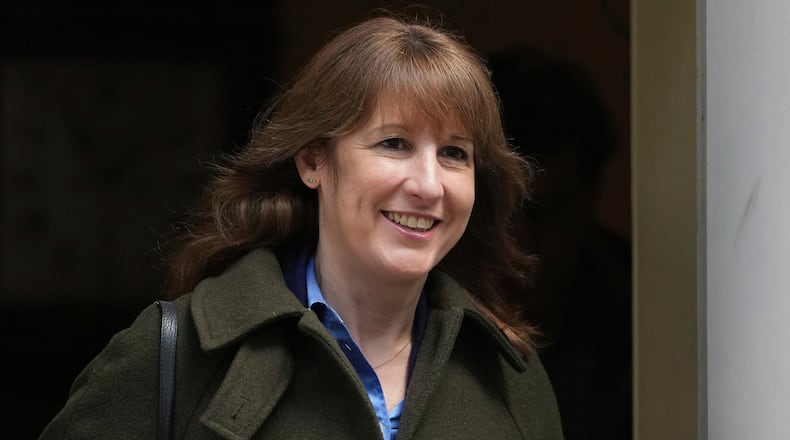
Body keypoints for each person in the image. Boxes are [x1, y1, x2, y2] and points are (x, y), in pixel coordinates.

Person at [39, 11, 564, 440]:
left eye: (454, 153)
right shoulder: (174, 354)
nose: (429, 185)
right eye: (394, 143)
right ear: (314, 161)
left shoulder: (511, 375)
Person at [489, 47, 632, 440]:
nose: (518, 243)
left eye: (543, 211)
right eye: (498, 213)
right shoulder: (415, 304)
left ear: (591, 197)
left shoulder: (644, 314)